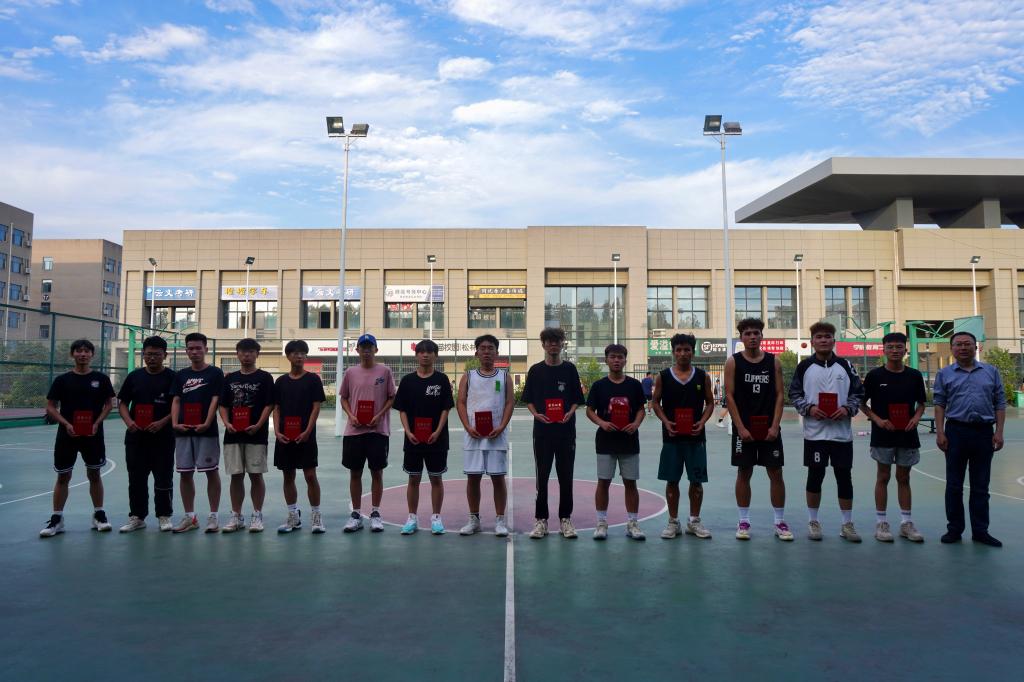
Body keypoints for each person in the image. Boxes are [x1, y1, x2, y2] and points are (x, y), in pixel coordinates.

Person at [789, 321, 864, 542]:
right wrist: (809, 408)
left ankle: (847, 524)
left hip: (841, 434)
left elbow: (858, 393)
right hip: (815, 434)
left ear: (834, 340)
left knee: (844, 477)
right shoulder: (804, 367)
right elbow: (794, 394)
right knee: (815, 476)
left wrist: (847, 409)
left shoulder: (846, 365)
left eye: (827, 336)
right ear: (812, 341)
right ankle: (813, 522)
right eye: (819, 337)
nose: (823, 340)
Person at [933, 331, 1006, 547]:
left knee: (981, 485)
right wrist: (940, 432)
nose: (963, 347)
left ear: (976, 347)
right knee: (954, 485)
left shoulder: (991, 372)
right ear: (952, 348)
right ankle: (954, 529)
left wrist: (999, 432)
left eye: (967, 344)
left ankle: (980, 531)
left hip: (983, 433)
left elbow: (999, 403)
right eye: (958, 344)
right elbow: (939, 403)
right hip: (956, 432)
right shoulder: (944, 374)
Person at [39, 339, 116, 537]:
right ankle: (57, 519)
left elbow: (109, 404)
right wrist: (66, 424)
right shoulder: (62, 380)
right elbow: (51, 406)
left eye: (86, 351)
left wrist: (97, 423)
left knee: (94, 474)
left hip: (93, 434)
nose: (83, 354)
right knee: (63, 476)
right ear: (72, 354)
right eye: (79, 351)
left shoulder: (101, 379)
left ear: (92, 355)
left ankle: (99, 515)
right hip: (67, 434)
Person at [725, 319, 791, 541]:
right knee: (744, 472)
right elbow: (729, 396)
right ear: (741, 337)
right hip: (744, 430)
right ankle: (743, 521)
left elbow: (780, 395)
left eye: (756, 333)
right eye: (747, 333)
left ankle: (779, 521)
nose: (752, 337)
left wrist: (775, 425)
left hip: (769, 429)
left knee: (776, 472)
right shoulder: (733, 362)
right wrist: (739, 427)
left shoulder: (774, 361)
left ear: (762, 336)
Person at [860, 332, 927, 542]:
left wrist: (916, 418)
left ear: (906, 350)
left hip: (907, 434)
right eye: (890, 347)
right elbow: (862, 404)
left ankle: (906, 523)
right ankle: (881, 523)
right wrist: (878, 420)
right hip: (883, 434)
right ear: (884, 350)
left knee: (904, 478)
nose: (895, 351)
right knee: (883, 476)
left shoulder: (914, 375)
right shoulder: (874, 376)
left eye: (899, 347)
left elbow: (921, 404)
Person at [522, 327, 584, 539]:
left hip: (566, 433)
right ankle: (541, 520)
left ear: (562, 343)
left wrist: (570, 412)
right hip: (542, 433)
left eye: (557, 341)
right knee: (542, 477)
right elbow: (529, 399)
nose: (553, 345)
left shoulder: (570, 369)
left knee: (566, 477)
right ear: (543, 345)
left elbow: (577, 399)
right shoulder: (535, 370)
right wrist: (536, 415)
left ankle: (565, 519)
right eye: (549, 342)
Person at [651, 334, 714, 540]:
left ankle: (694, 521)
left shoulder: (702, 376)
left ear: (693, 352)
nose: (683, 353)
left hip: (696, 437)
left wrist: (702, 422)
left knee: (696, 481)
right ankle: (673, 522)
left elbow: (710, 403)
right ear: (673, 352)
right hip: (672, 437)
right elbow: (655, 402)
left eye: (687, 349)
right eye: (678, 350)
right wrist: (666, 422)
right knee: (672, 480)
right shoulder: (663, 376)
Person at [587, 344, 648, 540]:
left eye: (620, 357)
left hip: (629, 441)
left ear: (625, 360)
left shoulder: (634, 385)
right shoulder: (598, 386)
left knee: (630, 482)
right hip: (605, 441)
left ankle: (633, 523)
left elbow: (641, 409)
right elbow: (590, 410)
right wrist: (602, 423)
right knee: (603, 482)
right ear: (606, 360)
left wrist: (636, 424)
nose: (616, 360)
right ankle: (601, 523)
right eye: (613, 357)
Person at [395, 340, 455, 535]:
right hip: (413, 439)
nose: (425, 355)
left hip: (437, 439)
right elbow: (402, 410)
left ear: (435, 356)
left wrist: (437, 431)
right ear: (416, 355)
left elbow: (446, 408)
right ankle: (412, 517)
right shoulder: (407, 381)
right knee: (413, 478)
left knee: (436, 478)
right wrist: (408, 431)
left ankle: (436, 517)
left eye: (429, 352)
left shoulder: (442, 379)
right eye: (421, 352)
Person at [117, 336, 176, 533]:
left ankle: (164, 515)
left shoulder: (172, 378)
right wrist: (129, 422)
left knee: (163, 477)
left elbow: (178, 406)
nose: (152, 358)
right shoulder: (134, 377)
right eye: (148, 354)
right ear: (143, 355)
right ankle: (137, 516)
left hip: (163, 437)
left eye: (157, 354)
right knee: (136, 479)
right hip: (136, 437)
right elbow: (123, 403)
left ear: (165, 355)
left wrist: (162, 422)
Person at [457, 334, 514, 537]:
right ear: (477, 353)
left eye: (491, 348)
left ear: (497, 352)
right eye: (483, 348)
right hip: (473, 434)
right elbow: (460, 402)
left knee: (498, 478)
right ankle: (474, 519)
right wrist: (467, 426)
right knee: (473, 477)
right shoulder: (468, 376)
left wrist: (502, 426)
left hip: (496, 434)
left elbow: (510, 403)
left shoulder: (504, 376)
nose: (487, 351)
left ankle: (500, 520)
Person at [340, 333, 396, 532]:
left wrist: (380, 415)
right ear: (357, 350)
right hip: (354, 431)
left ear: (376, 350)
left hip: (378, 431)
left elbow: (391, 397)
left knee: (377, 473)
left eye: (369, 347)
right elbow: (343, 398)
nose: (366, 350)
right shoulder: (350, 372)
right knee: (355, 473)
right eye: (362, 347)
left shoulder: (385, 371)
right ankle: (356, 514)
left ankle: (375, 513)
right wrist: (351, 415)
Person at [169, 332, 224, 533]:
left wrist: (207, 423)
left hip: (206, 432)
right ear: (186, 351)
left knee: (211, 471)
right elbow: (176, 400)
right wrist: (175, 423)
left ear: (205, 349)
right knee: (185, 473)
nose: (194, 352)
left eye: (198, 348)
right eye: (190, 348)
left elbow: (215, 400)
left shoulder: (215, 373)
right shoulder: (181, 375)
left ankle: (213, 516)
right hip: (183, 432)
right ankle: (190, 517)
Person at [218, 338, 274, 533]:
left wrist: (258, 425)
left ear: (257, 354)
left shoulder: (265, 377)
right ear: (237, 354)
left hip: (256, 435)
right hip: (233, 435)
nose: (246, 355)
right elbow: (223, 405)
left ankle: (257, 515)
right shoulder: (229, 378)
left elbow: (269, 404)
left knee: (256, 475)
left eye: (250, 351)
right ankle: (236, 516)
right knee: (236, 476)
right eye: (243, 351)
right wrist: (227, 423)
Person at [273, 340, 327, 534]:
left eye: (303, 353)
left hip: (306, 437)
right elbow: (276, 408)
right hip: (285, 437)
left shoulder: (313, 380)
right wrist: (277, 431)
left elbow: (316, 407)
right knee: (288, 475)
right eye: (295, 353)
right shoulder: (280, 382)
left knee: (310, 476)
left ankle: (316, 516)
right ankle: (293, 516)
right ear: (288, 356)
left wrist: (307, 431)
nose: (299, 356)